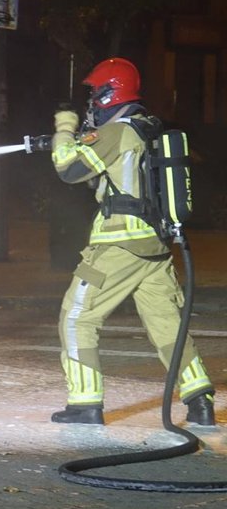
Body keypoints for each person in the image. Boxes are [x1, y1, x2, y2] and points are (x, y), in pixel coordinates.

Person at [49, 57, 215, 426]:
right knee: (168, 326)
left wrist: (63, 128)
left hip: (118, 246)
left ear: (111, 92)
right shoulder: (147, 128)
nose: (91, 100)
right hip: (155, 247)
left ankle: (84, 403)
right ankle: (199, 398)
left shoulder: (116, 131)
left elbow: (69, 168)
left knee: (76, 317)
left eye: (95, 92)